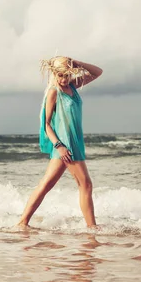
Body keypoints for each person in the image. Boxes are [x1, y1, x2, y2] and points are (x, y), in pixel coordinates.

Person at [17, 56, 103, 228]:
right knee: (85, 184)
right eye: (60, 75)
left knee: (46, 184)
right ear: (54, 74)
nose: (63, 79)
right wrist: (60, 146)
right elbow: (47, 124)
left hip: (74, 143)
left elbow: (98, 72)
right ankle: (92, 228)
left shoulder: (73, 86)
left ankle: (22, 223)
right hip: (66, 145)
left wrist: (78, 63)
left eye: (66, 75)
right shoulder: (54, 92)